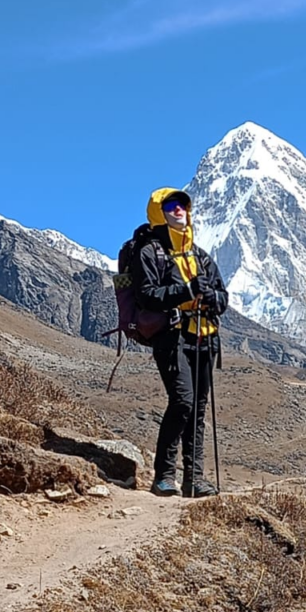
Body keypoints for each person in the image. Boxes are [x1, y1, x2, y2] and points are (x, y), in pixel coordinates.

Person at [131, 187, 228, 497]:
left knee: (197, 409)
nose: (178, 209)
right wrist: (187, 292)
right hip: (172, 337)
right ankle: (164, 474)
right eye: (171, 204)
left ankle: (194, 480)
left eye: (183, 204)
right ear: (159, 211)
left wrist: (213, 297)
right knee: (183, 400)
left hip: (204, 340)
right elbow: (147, 296)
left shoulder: (200, 256)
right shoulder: (150, 252)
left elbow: (222, 296)